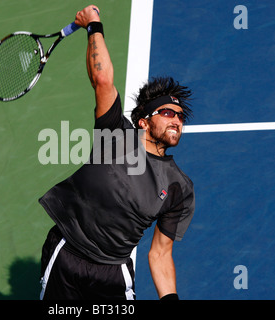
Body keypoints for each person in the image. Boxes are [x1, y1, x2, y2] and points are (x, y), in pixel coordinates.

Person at [39, 5, 195, 300]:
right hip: (66, 255)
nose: (176, 119)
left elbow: (160, 254)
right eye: (166, 112)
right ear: (144, 121)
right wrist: (93, 25)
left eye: (179, 116)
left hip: (113, 272)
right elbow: (102, 80)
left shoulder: (179, 188)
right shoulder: (116, 133)